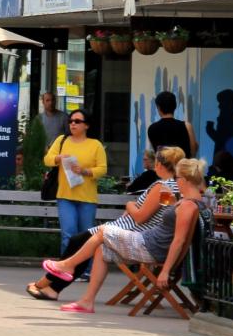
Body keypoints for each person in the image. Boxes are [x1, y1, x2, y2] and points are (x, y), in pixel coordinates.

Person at [41, 157, 212, 314]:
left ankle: (68, 265)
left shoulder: (188, 206)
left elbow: (179, 240)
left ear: (186, 180)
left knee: (103, 231)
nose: (176, 181)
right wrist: (172, 202)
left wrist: (165, 271)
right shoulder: (191, 201)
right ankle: (87, 301)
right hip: (149, 242)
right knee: (102, 249)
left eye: (178, 178)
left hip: (151, 247)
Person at [26, 146, 185, 300]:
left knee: (77, 242)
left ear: (159, 164)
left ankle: (49, 285)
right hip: (137, 230)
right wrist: (135, 208)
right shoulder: (173, 186)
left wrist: (130, 205)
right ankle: (50, 285)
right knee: (78, 243)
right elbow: (159, 213)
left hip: (132, 230)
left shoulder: (162, 187)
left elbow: (141, 217)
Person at [44, 109, 108, 259]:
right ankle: (66, 268)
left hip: (87, 198)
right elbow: (47, 159)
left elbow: (103, 169)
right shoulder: (61, 140)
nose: (73, 124)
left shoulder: (95, 145)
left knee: (86, 237)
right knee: (68, 234)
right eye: (71, 121)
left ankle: (86, 269)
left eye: (77, 121)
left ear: (86, 125)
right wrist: (58, 158)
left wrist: (85, 171)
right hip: (65, 196)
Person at [148, 90, 197, 157]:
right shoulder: (187, 126)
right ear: (175, 106)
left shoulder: (151, 129)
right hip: (183, 163)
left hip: (162, 164)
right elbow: (193, 152)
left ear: (158, 108)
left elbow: (155, 153)